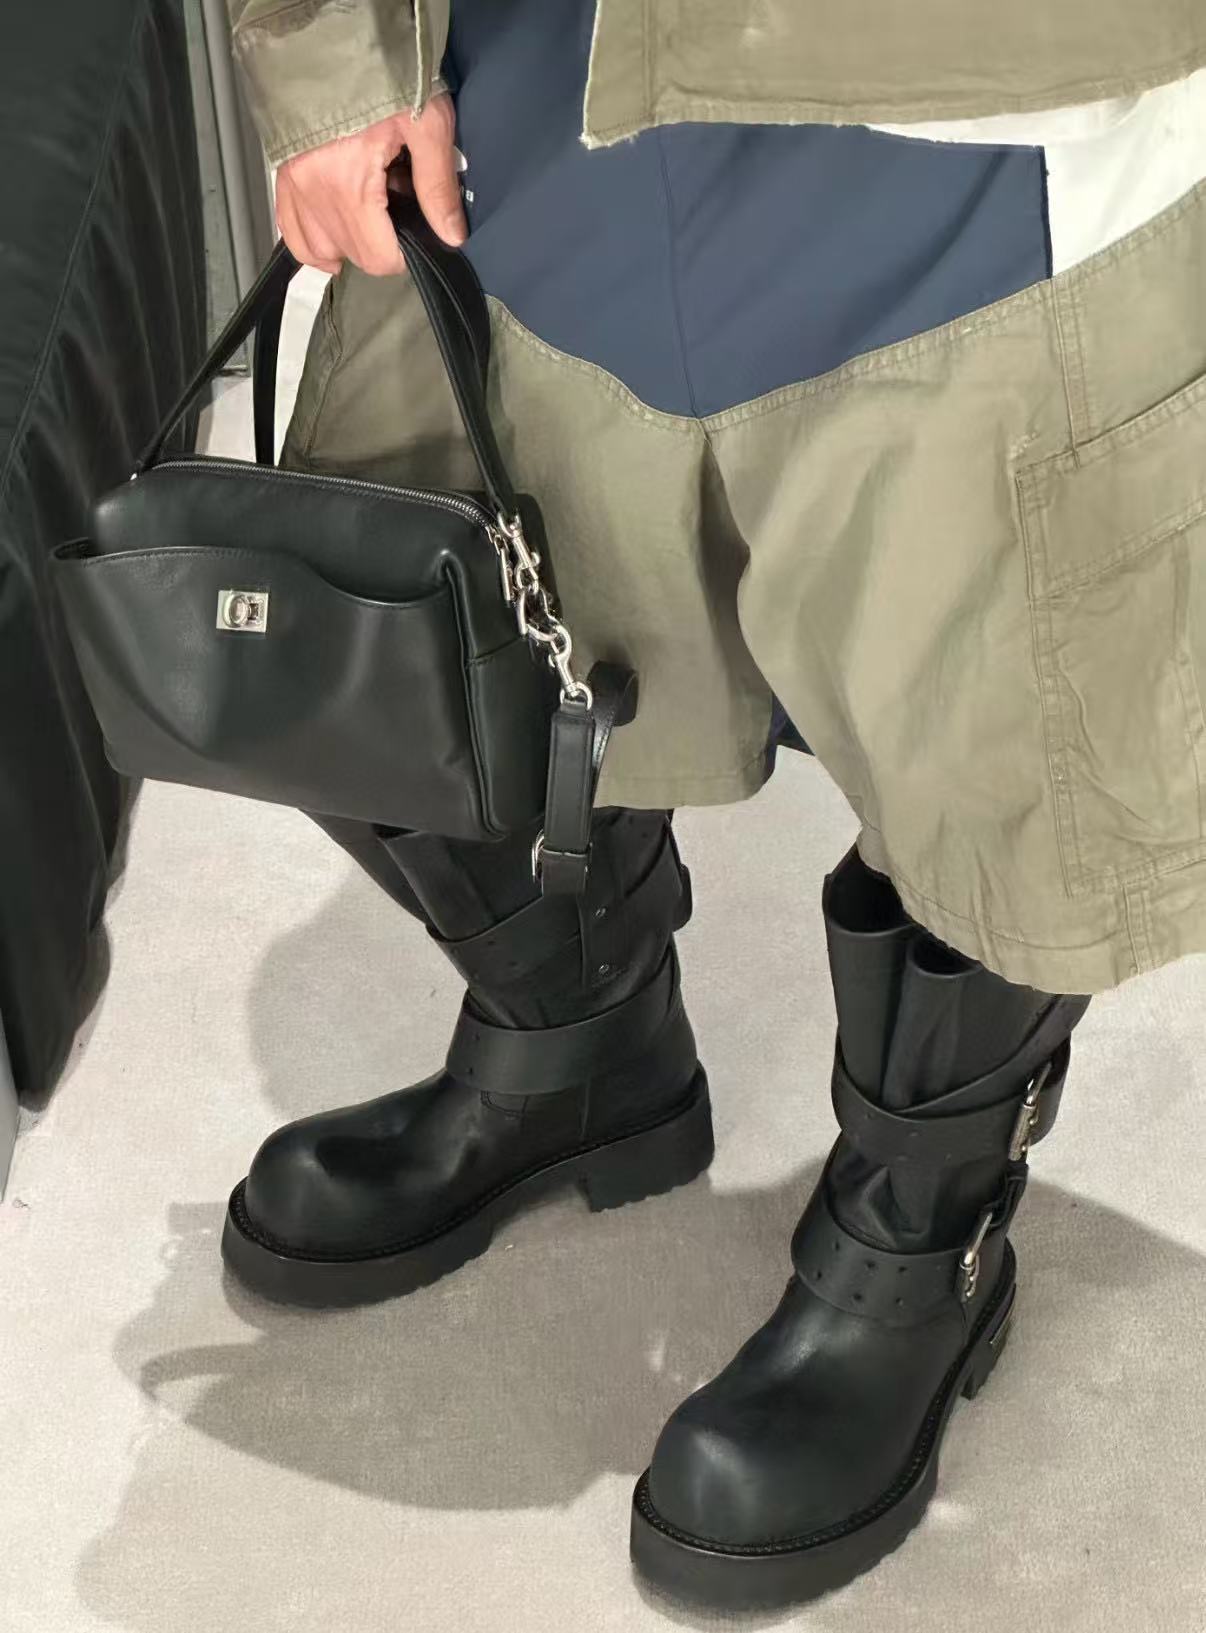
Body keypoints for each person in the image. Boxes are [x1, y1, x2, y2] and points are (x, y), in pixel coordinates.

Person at [221, 0, 1206, 1609]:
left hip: (975, 95)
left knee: (986, 711)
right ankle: (576, 1043)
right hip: (533, 70)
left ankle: (915, 1237)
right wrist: (332, 53)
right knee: (461, 587)